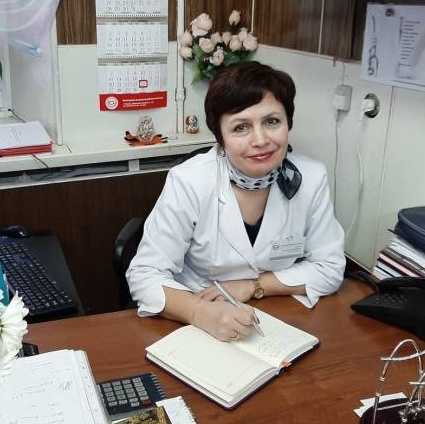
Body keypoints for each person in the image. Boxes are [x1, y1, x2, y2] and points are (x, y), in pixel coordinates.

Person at [126, 61, 345, 342]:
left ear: (288, 123)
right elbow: (144, 274)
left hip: (278, 317)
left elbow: (330, 268)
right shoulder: (189, 181)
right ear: (220, 137)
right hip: (198, 314)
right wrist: (198, 312)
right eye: (241, 127)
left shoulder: (312, 178)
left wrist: (254, 286)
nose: (260, 140)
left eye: (272, 121)